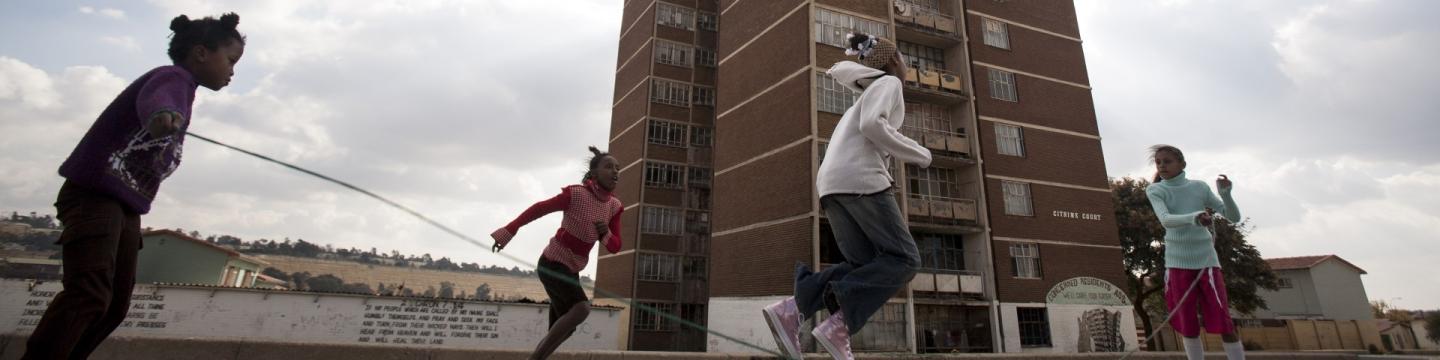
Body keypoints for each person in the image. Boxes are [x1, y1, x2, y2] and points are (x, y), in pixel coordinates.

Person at [22, 13, 245, 360]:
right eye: (230, 61)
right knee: (90, 294)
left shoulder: (186, 89)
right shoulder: (174, 79)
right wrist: (163, 115)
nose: (232, 71)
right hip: (95, 195)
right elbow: (159, 99)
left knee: (113, 306)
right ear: (201, 53)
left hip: (125, 206)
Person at [761, 33, 930, 360]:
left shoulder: (865, 95)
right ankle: (839, 326)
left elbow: (867, 127)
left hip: (831, 184)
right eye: (905, 58)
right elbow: (873, 126)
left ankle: (792, 309)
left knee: (864, 266)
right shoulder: (889, 85)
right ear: (894, 60)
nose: (907, 65)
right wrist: (920, 153)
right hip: (860, 180)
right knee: (906, 259)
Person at [491, 146, 623, 360]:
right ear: (594, 173)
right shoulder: (577, 194)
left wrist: (605, 232)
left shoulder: (614, 206)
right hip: (552, 263)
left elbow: (615, 246)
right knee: (581, 309)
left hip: (571, 271)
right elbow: (539, 208)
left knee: (565, 328)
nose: (615, 171)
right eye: (609, 167)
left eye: (618, 168)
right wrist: (509, 230)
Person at [1145, 144, 1244, 360]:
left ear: (1182, 164)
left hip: (1207, 262)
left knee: (1223, 319)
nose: (1162, 165)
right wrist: (1195, 217)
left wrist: (1226, 195)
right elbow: (1166, 220)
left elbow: (1233, 217)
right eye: (1158, 162)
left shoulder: (1199, 187)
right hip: (1177, 264)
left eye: (1167, 161)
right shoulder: (1156, 190)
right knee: (1187, 322)